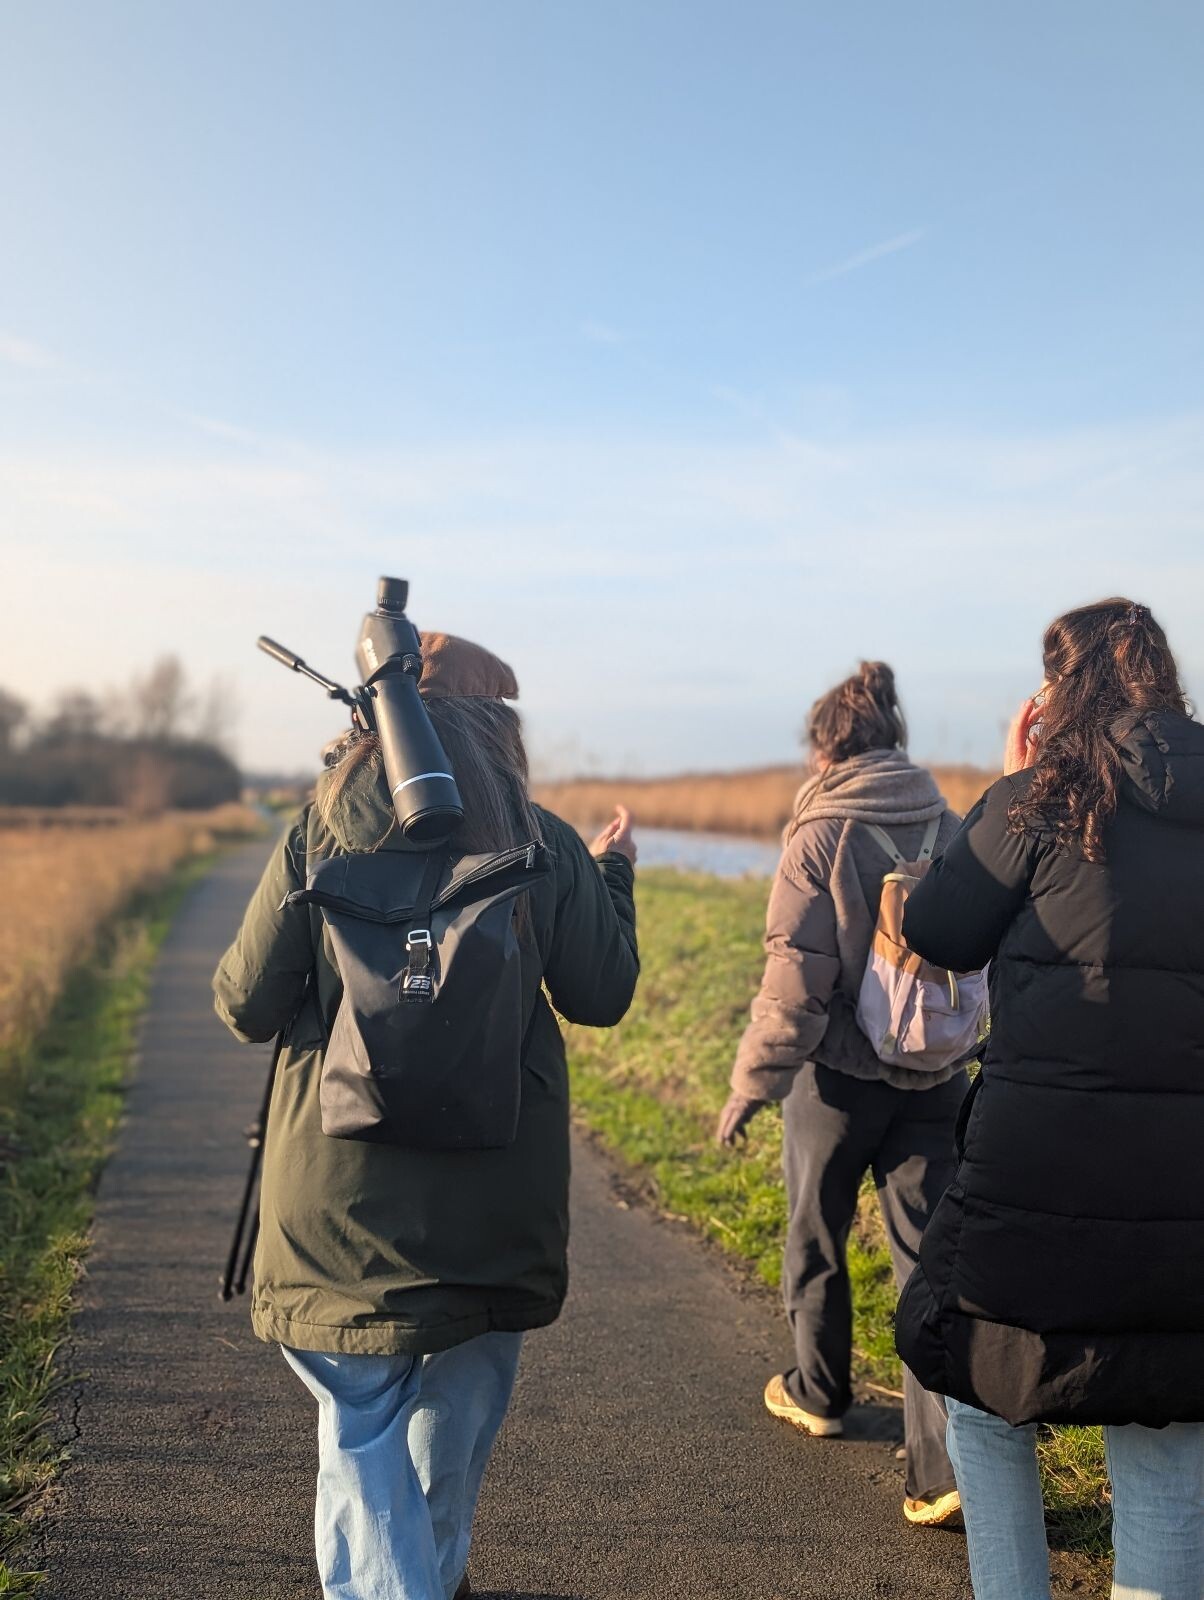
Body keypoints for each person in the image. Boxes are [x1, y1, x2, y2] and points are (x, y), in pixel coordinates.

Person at [213, 631, 639, 1600]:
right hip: (494, 1209)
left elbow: (242, 1003)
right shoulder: (540, 838)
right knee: (451, 1437)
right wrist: (613, 875)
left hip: (336, 1215)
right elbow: (603, 990)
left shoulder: (318, 831)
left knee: (359, 1439)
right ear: (497, 729)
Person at [896, 598, 1204, 1600]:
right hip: (1186, 1179)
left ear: (1055, 691)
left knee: (984, 1392)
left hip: (1038, 1165)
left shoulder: (1040, 798)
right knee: (1165, 1422)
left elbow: (938, 931)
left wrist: (1008, 776)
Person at [717, 660, 971, 1526]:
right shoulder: (950, 819)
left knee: (816, 1234)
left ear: (827, 747)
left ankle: (820, 1392)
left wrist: (752, 1085)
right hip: (936, 1080)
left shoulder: (820, 834)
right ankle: (940, 1469)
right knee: (928, 1262)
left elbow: (793, 981)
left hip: (837, 1080)